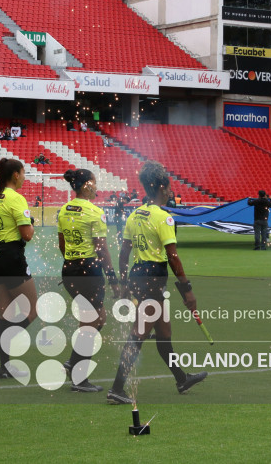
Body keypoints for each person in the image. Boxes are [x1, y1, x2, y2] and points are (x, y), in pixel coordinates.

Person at [107, 161, 207, 404]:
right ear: (161, 188)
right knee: (139, 333)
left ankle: (181, 378)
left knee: (164, 333)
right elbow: (172, 257)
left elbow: (123, 254)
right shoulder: (164, 218)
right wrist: (187, 290)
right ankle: (117, 389)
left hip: (139, 277)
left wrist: (122, 284)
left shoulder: (135, 214)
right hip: (152, 279)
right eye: (169, 187)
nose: (171, 191)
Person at [57, 169, 118, 392]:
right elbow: (102, 250)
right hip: (88, 270)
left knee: (95, 318)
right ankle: (79, 377)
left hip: (70, 269)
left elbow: (62, 244)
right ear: (85, 185)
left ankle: (73, 361)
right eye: (94, 183)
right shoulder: (94, 212)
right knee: (92, 321)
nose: (96, 187)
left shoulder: (63, 210)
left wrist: (71, 263)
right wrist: (113, 279)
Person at [0, 159, 35, 379]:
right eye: (23, 173)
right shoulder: (16, 198)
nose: (24, 177)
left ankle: (5, 366)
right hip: (11, 258)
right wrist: (31, 223)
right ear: (15, 175)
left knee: (6, 312)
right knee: (32, 310)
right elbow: (27, 235)